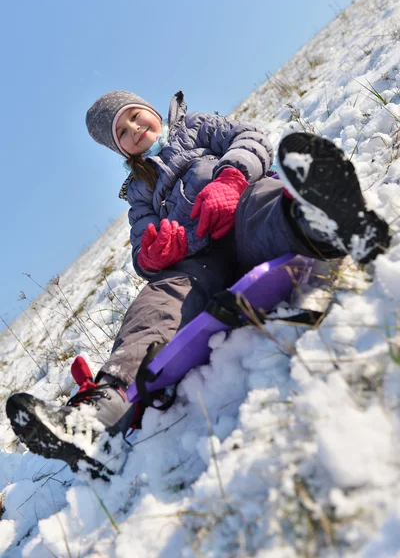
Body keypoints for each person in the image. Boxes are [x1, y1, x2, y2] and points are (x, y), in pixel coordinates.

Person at [6, 90, 391, 475]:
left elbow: (251, 138)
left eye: (136, 116)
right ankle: (99, 414)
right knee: (158, 299)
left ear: (152, 111)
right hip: (199, 265)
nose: (135, 129)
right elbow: (143, 246)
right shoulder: (140, 192)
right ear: (119, 149)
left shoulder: (195, 129)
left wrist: (230, 178)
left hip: (243, 219)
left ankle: (324, 221)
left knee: (262, 199)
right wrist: (156, 254)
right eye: (122, 132)